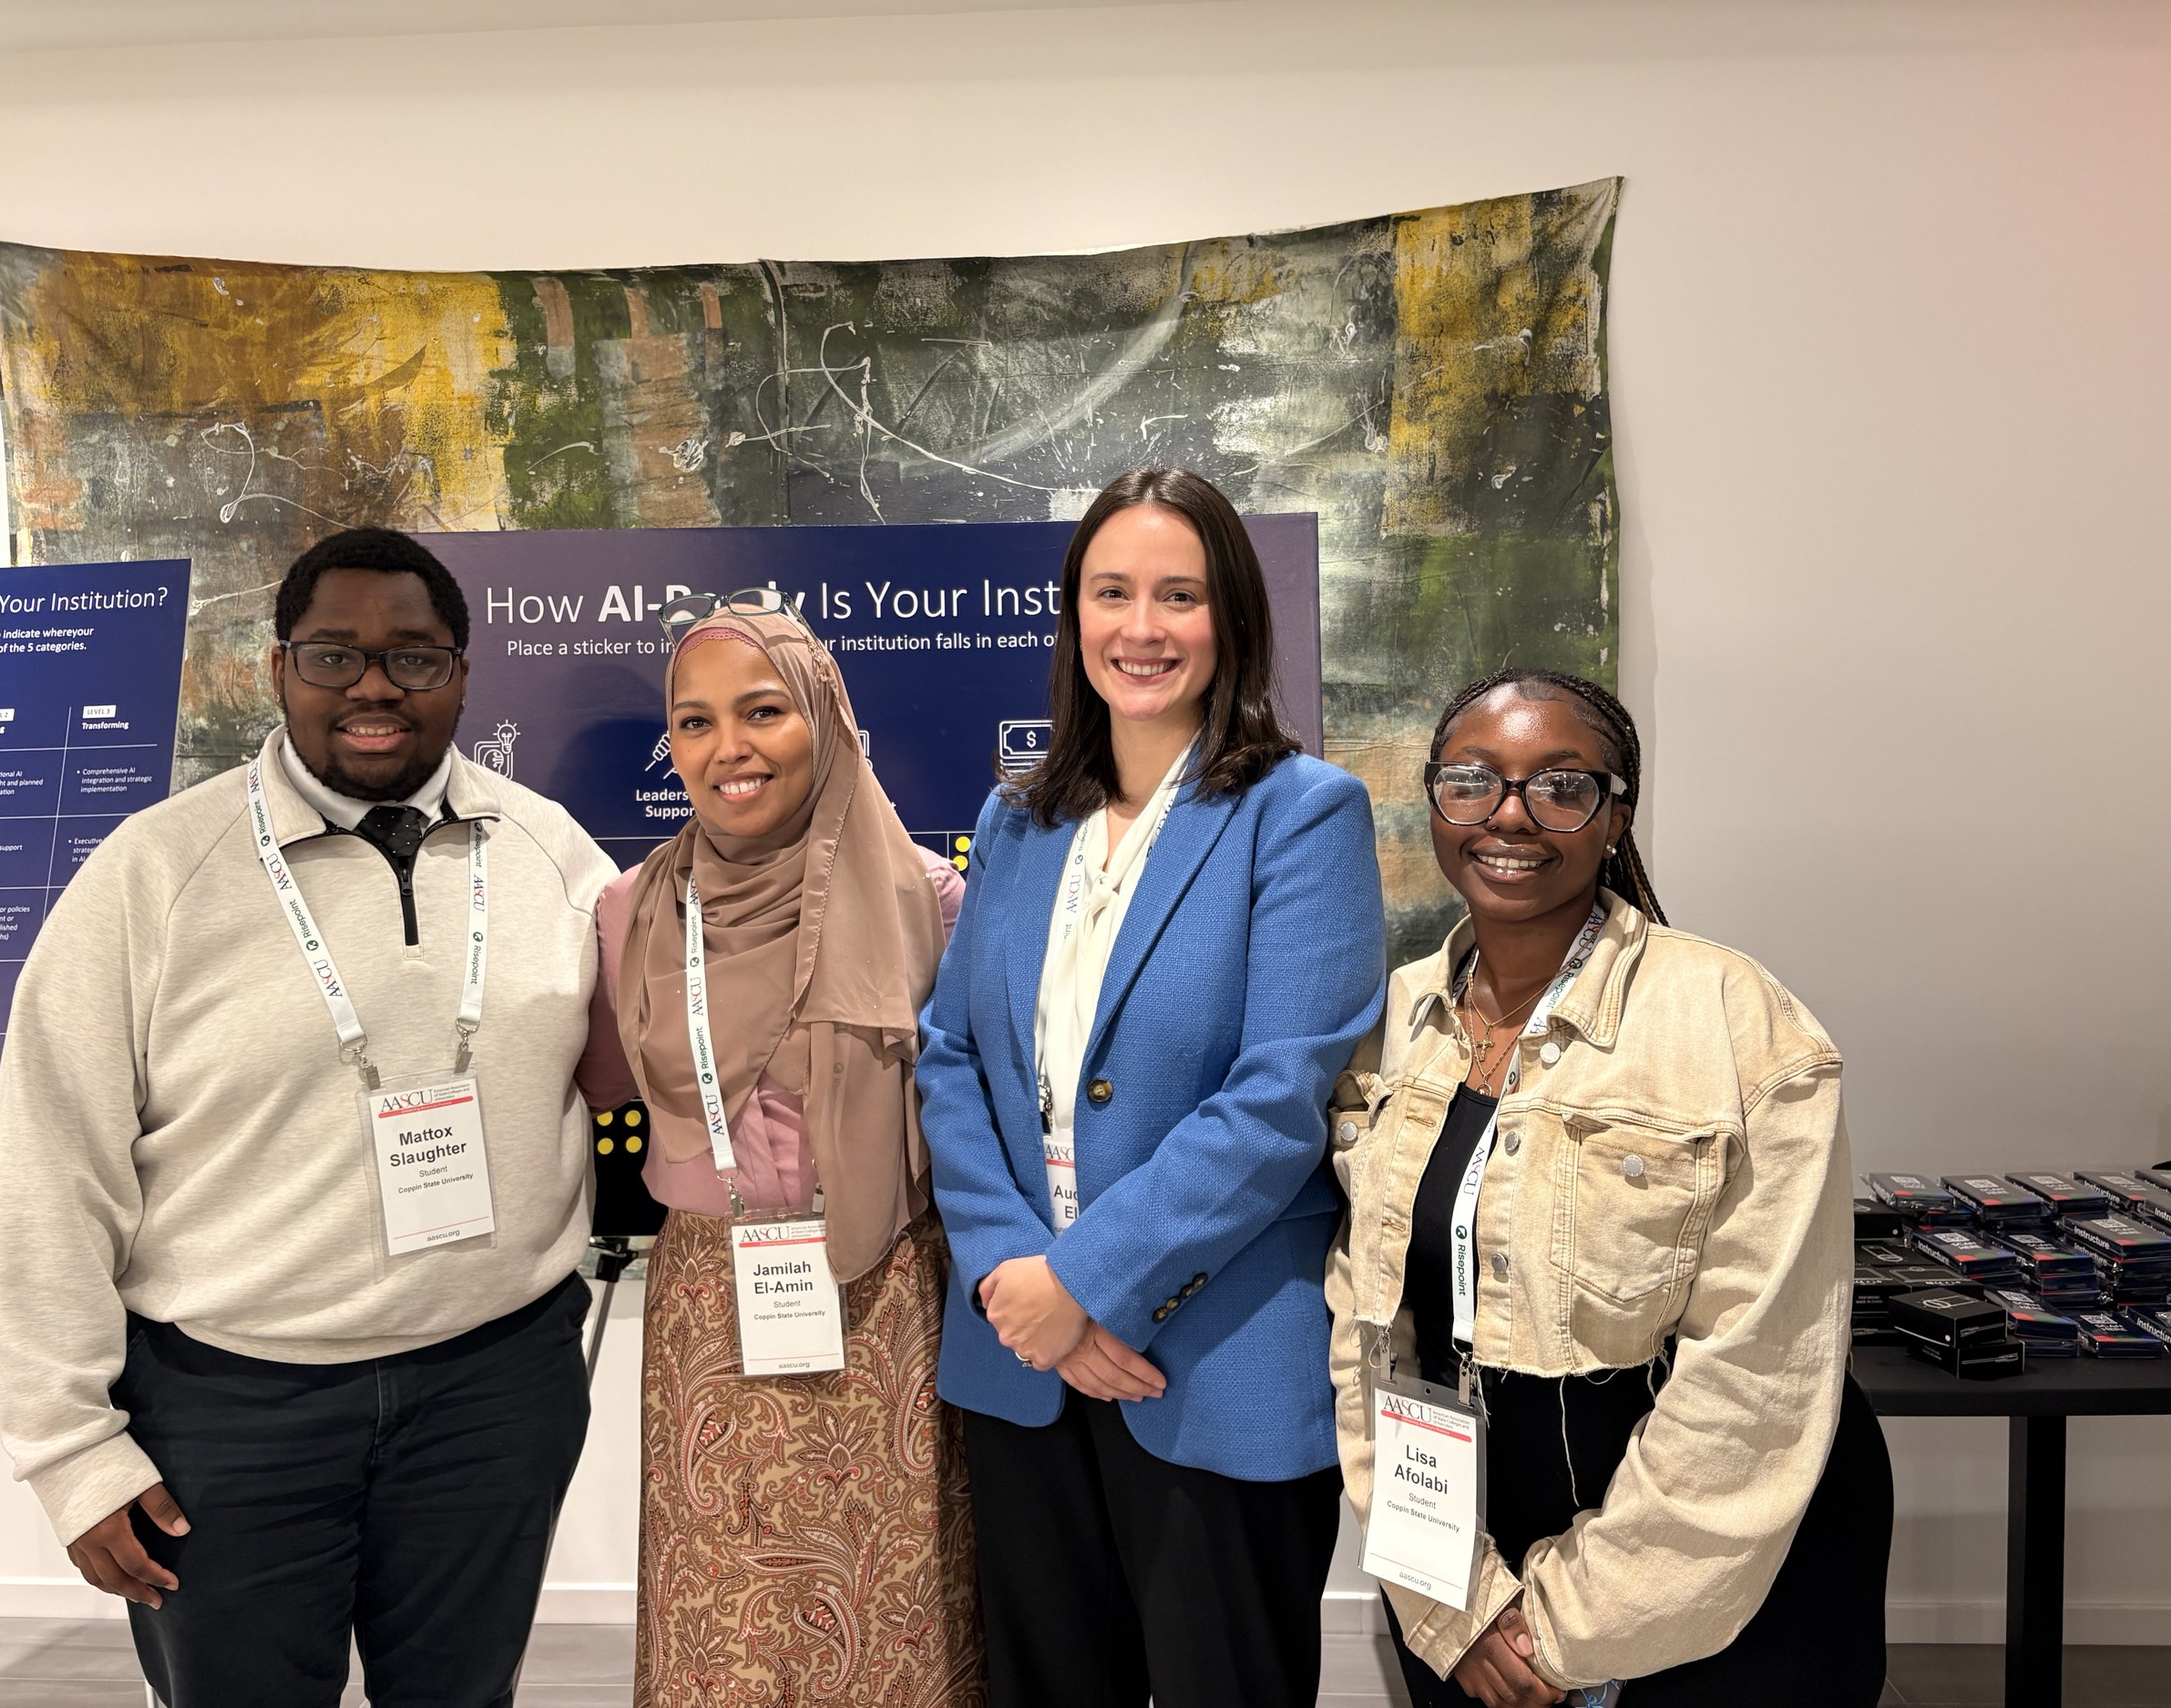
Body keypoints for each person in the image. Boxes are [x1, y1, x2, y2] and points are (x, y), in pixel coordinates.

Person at [0, 527, 617, 1708]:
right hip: (231, 1403)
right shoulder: (152, 876)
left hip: (493, 1388)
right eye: (334, 655)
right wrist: (69, 1449)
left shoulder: (555, 857)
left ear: (462, 674)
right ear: (278, 669)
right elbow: (51, 1171)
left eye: (413, 657)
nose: (374, 686)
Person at [1326, 668, 1891, 1708]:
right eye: (1472, 780)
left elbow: (1760, 1369)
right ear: (1435, 799)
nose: (1510, 815)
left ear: (1615, 814)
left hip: (1714, 1561)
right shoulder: (1389, 1023)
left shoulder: (1735, 1021)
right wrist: (1450, 1599)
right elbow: (1367, 1332)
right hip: (1467, 1539)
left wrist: (1572, 1628)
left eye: (1561, 785)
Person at [916, 466, 1386, 1708]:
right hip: (1019, 1359)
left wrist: (1084, 1283)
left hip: (1212, 1358)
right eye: (1111, 592)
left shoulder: (1303, 814)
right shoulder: (1016, 819)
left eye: (1179, 595)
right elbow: (952, 1056)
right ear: (1074, 614)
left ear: (1231, 616)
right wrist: (1016, 1276)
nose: (1142, 627)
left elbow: (1277, 1100)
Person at [574, 599, 985, 1706]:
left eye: (762, 712)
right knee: (725, 1625)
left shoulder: (931, 903)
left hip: (889, 1293)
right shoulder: (631, 911)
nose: (728, 748)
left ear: (825, 720)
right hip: (710, 1302)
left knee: (898, 1611)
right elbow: (604, 1081)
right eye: (694, 722)